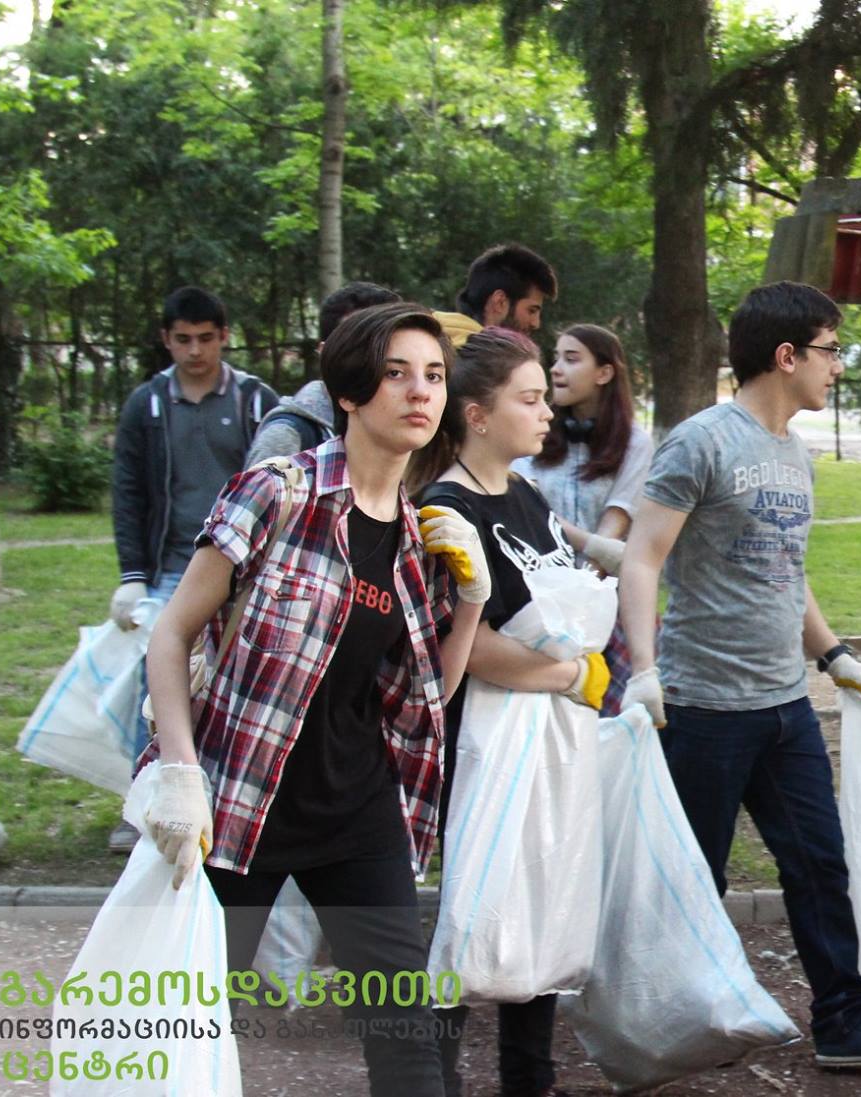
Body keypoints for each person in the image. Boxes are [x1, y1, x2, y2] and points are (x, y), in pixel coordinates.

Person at [139, 303, 488, 1097]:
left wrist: (471, 598)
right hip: (238, 804)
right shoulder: (277, 492)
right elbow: (172, 633)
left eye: (434, 375)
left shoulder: (421, 537)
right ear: (351, 391)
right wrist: (180, 773)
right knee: (193, 1032)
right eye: (396, 373)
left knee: (405, 1039)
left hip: (357, 810)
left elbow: (428, 693)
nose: (420, 391)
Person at [617, 281, 861, 1068]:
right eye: (832, 349)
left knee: (820, 864)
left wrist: (834, 655)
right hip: (701, 708)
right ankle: (653, 1023)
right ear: (787, 354)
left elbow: (786, 573)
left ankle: (843, 1021)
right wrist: (644, 669)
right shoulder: (701, 442)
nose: (840, 365)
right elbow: (642, 556)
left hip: (784, 706)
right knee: (692, 877)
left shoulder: (795, 454)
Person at [412, 327, 608, 1097]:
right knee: (472, 913)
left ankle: (530, 1078)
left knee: (540, 901)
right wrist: (568, 672)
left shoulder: (524, 494)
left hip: (546, 740)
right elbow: (465, 644)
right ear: (478, 415)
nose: (545, 411)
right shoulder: (445, 508)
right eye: (528, 399)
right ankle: (430, 1081)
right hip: (480, 743)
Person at [106, 285, 280, 852]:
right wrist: (132, 574)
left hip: (241, 567)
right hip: (171, 565)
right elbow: (128, 491)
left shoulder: (254, 401)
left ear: (224, 336)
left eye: (206, 338)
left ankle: (228, 796)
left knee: (236, 680)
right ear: (166, 340)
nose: (195, 350)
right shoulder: (147, 405)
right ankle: (145, 800)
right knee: (157, 685)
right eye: (183, 339)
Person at [510, 323, 653, 713]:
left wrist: (583, 593)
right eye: (556, 358)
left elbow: (617, 521)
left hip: (605, 606)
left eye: (571, 359)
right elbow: (524, 507)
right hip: (538, 604)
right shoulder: (533, 435)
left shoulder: (635, 443)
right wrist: (588, 549)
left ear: (604, 373)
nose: (556, 369)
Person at [246, 281, 402, 466]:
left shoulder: (412, 428)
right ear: (325, 353)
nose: (376, 358)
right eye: (360, 346)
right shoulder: (287, 437)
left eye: (388, 345)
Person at [433, 244, 557, 347]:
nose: (536, 323)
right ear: (499, 302)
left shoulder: (431, 340)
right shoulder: (485, 362)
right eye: (532, 311)